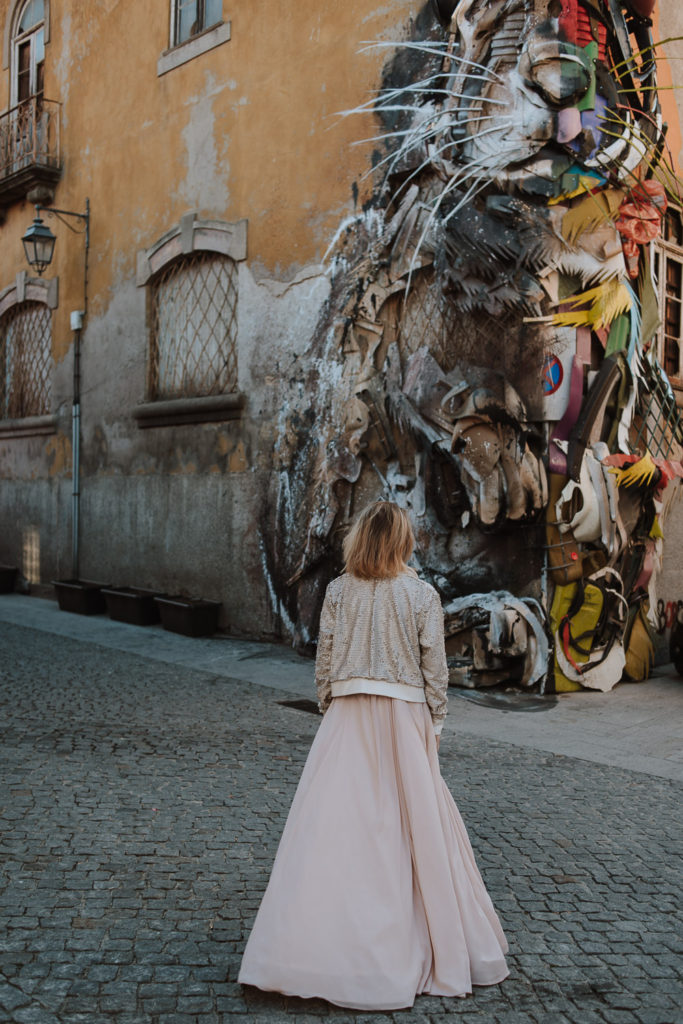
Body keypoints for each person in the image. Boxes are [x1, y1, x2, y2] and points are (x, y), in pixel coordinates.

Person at [238, 501, 508, 1010]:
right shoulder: (422, 595)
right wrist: (437, 721)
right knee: (413, 825)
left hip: (348, 714)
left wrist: (329, 704)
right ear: (403, 541)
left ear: (359, 539)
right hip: (405, 719)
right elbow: (436, 668)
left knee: (333, 824)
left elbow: (325, 658)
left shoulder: (339, 591)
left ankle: (306, 946)